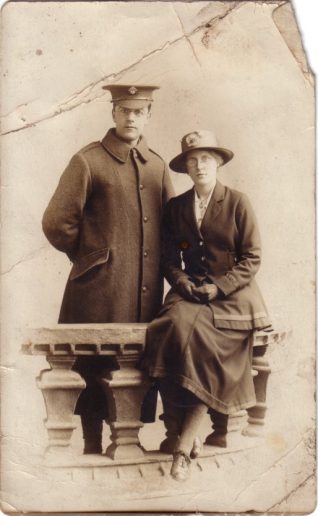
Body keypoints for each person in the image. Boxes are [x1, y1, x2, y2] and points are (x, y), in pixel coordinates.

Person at [42, 84, 174, 454]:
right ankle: (90, 443)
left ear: (148, 114)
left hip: (144, 290)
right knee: (92, 360)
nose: (131, 118)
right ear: (113, 113)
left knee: (135, 364)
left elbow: (171, 226)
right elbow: (56, 222)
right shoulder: (88, 161)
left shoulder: (158, 166)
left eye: (139, 111)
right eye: (124, 111)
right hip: (96, 289)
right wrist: (90, 258)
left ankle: (127, 440)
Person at [142, 129, 271, 481]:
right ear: (185, 167)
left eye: (206, 159)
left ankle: (183, 446)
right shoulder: (177, 207)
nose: (199, 166)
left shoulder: (237, 202)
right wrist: (182, 283)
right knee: (167, 329)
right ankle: (186, 433)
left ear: (217, 164)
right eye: (192, 160)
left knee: (207, 343)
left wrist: (220, 286)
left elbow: (252, 257)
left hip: (234, 296)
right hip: (191, 291)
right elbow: (169, 259)